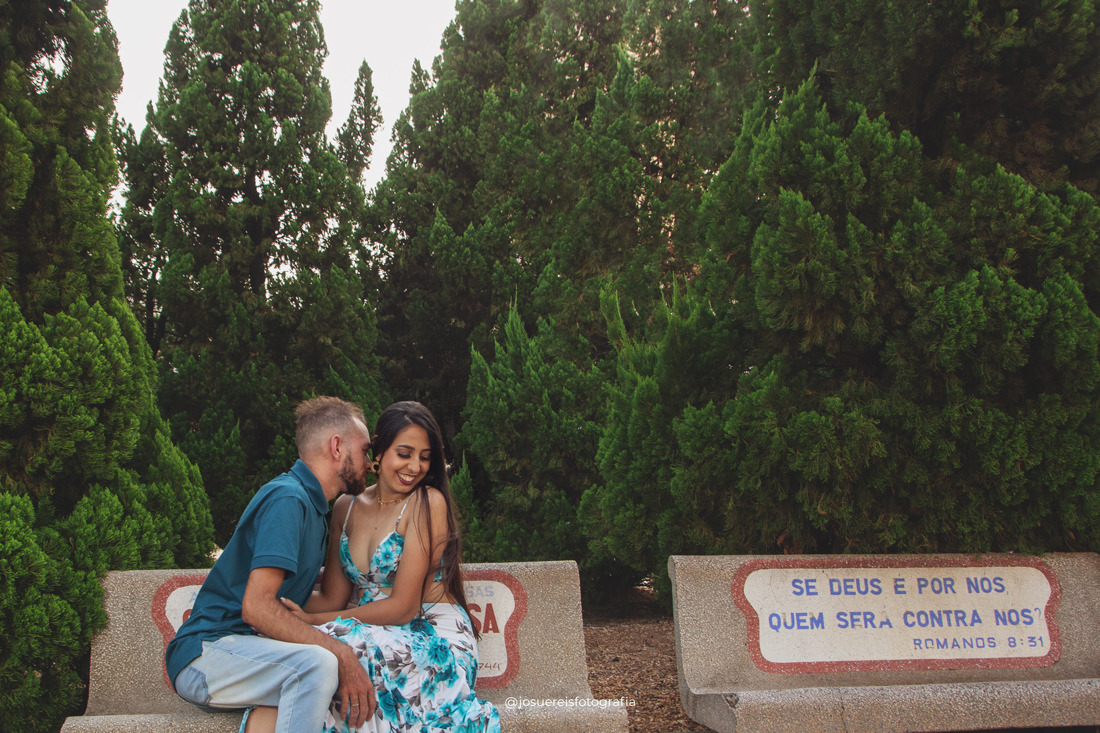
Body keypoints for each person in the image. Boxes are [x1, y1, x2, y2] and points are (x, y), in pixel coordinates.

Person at [245, 400, 501, 732]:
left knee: (327, 646)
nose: (415, 467)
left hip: (430, 634)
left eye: (425, 457)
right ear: (378, 450)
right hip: (372, 631)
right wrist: (275, 607)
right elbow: (333, 599)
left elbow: (403, 607)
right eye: (404, 453)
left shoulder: (426, 503)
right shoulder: (345, 508)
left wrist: (311, 622)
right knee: (305, 648)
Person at [166, 396, 378, 732]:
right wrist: (341, 653)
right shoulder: (288, 500)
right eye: (365, 450)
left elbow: (319, 602)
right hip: (206, 655)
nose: (370, 462)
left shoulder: (315, 509)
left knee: (326, 662)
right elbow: (257, 608)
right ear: (337, 447)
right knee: (319, 663)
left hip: (251, 658)